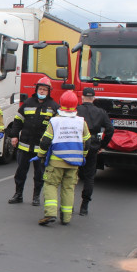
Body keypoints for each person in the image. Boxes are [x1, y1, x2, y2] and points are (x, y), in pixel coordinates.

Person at [35, 90, 91, 226]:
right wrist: (82, 156)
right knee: (68, 188)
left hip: (56, 161)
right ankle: (66, 218)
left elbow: (45, 141)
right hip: (74, 163)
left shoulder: (55, 121)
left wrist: (40, 155)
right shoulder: (81, 122)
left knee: (50, 185)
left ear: (61, 104)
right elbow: (87, 142)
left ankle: (50, 214)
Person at [8, 76, 59, 205]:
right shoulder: (28, 103)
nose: (41, 92)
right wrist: (14, 136)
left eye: (44, 90)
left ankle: (36, 197)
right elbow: (17, 121)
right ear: (36, 89)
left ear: (48, 92)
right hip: (24, 146)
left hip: (41, 149)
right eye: (40, 89)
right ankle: (18, 194)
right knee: (20, 172)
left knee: (40, 174)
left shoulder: (53, 107)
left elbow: (57, 127)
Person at [76, 87, 114, 216]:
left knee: (70, 174)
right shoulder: (101, 112)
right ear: (94, 98)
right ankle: (84, 206)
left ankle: (67, 204)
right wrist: (102, 145)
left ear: (82, 98)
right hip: (92, 146)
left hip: (77, 144)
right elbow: (110, 130)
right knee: (89, 176)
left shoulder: (77, 110)